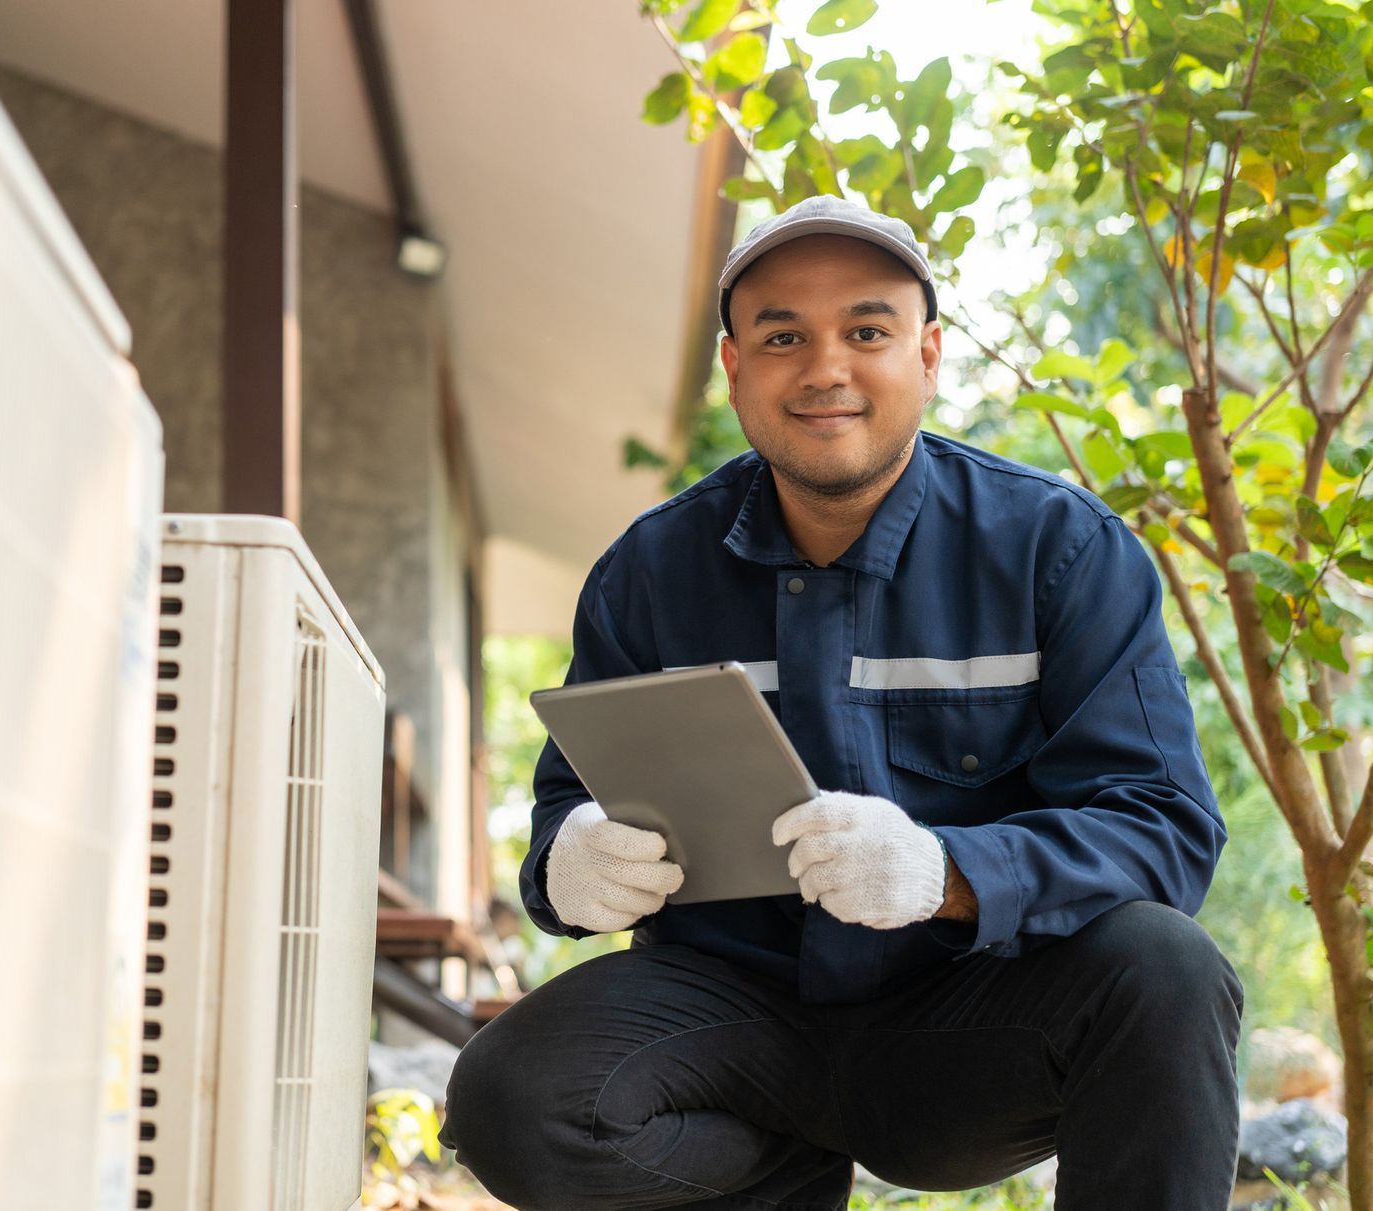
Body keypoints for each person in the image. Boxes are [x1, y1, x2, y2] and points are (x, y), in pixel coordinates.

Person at [439, 195, 1241, 1209]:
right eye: (783, 336)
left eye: (868, 331)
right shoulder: (649, 572)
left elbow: (1163, 828)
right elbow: (568, 810)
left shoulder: (1058, 551)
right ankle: (778, 1177)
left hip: (966, 1020)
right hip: (729, 1021)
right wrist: (571, 861)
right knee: (512, 1093)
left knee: (1166, 968)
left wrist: (951, 872)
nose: (826, 369)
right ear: (734, 365)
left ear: (930, 352)